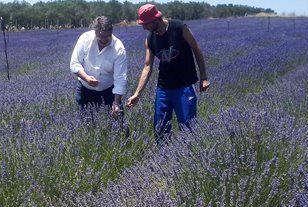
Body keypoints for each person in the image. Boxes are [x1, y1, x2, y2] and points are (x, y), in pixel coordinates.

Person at [126, 4, 210, 142]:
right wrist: (137, 94)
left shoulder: (179, 28)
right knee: (160, 128)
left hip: (185, 86)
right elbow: (147, 67)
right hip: (163, 89)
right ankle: (163, 160)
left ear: (155, 20)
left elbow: (196, 49)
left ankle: (188, 158)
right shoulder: (149, 39)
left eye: (146, 24)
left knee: (188, 127)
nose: (143, 27)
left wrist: (204, 77)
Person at [70, 16, 127, 117]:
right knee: (85, 122)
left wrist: (116, 102)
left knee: (118, 122)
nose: (104, 40)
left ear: (112, 32)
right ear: (95, 32)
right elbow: (74, 64)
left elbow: (120, 78)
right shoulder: (85, 39)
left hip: (108, 90)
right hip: (85, 89)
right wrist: (86, 78)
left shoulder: (119, 48)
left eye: (107, 37)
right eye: (101, 37)